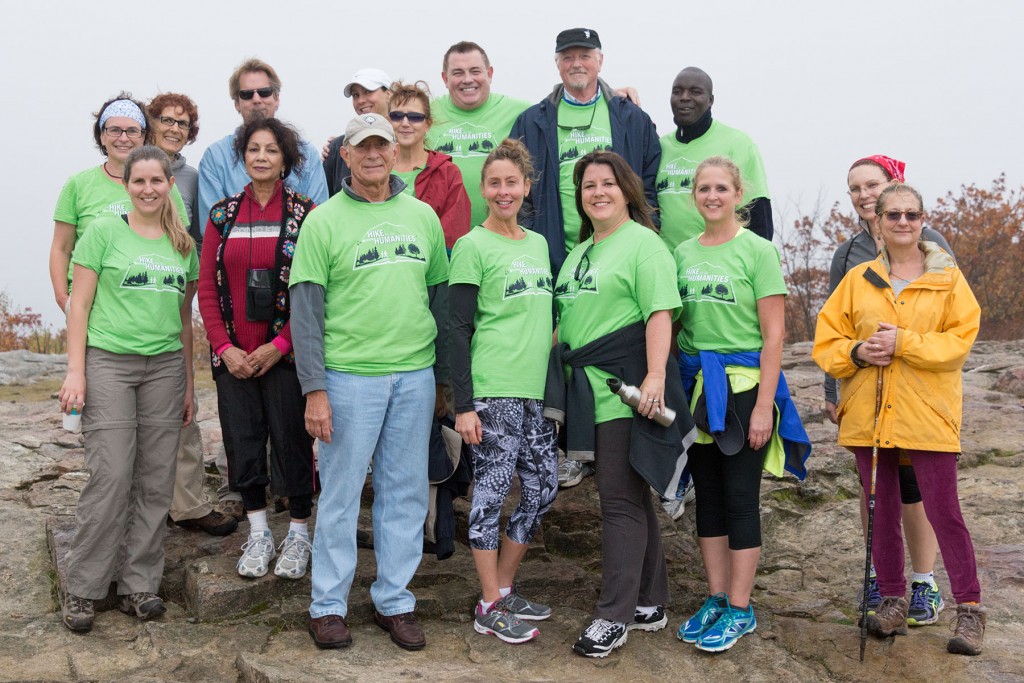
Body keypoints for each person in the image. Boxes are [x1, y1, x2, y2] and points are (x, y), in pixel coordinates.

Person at [291, 113, 449, 651]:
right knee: (339, 494)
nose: (375, 154)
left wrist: (443, 378)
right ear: (348, 156)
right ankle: (328, 606)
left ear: (394, 151)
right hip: (347, 378)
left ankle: (394, 600)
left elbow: (440, 299)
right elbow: (306, 313)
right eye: (364, 147)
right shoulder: (323, 222)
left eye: (383, 144)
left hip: (413, 375)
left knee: (404, 493)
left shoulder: (423, 217)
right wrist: (314, 389)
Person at [813, 183, 985, 656]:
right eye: (893, 216)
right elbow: (827, 343)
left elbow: (959, 343)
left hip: (927, 413)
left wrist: (904, 343)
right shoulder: (858, 280)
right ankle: (892, 601)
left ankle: (969, 609)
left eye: (912, 215)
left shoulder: (949, 280)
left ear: (923, 219)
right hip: (869, 415)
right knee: (881, 510)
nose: (903, 223)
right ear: (879, 222)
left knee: (943, 511)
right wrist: (857, 351)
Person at [511, 27, 661, 490]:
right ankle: (570, 447)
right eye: (567, 56)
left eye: (585, 55)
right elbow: (520, 182)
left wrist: (642, 234)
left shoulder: (629, 115)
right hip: (555, 249)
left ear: (600, 60)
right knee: (562, 345)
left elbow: (650, 178)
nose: (576, 63)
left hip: (616, 245)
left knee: (614, 345)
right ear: (557, 63)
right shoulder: (533, 119)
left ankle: (640, 443)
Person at [549, 151, 684, 658]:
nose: (598, 192)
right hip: (585, 392)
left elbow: (659, 314)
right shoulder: (581, 251)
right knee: (632, 498)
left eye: (607, 183)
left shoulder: (643, 245)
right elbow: (566, 320)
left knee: (620, 502)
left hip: (625, 389)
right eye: (588, 186)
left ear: (627, 190)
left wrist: (653, 378)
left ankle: (614, 616)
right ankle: (649, 601)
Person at [58, 145, 198, 632]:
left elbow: (185, 321)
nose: (147, 189)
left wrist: (189, 386)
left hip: (164, 369)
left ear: (169, 185)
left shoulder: (183, 244)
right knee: (112, 474)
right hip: (109, 364)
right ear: (125, 184)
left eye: (156, 181)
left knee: (156, 479)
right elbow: (79, 306)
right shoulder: (102, 233)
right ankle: (83, 587)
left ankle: (139, 584)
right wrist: (76, 372)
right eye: (138, 181)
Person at [673, 156, 808, 653]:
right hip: (697, 388)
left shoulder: (757, 252)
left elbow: (774, 336)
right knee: (705, 496)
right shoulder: (682, 253)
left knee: (739, 496)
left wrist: (761, 407)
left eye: (721, 188)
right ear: (694, 196)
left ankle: (741, 606)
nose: (712, 196)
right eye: (703, 188)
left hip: (746, 384)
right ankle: (715, 597)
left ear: (738, 194)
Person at [825, 155, 953, 626]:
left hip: (919, 393)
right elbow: (834, 326)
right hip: (865, 390)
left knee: (916, 488)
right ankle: (883, 577)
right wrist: (832, 387)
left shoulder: (930, 243)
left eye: (871, 184)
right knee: (875, 488)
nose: (862, 194)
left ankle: (924, 582)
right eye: (854, 187)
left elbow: (947, 320)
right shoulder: (849, 253)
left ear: (892, 186)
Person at [198, 58, 327, 519]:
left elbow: (312, 291)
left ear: (286, 158)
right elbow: (209, 288)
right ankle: (255, 532)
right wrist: (224, 347)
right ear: (243, 156)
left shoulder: (307, 215)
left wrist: (280, 344)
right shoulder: (222, 216)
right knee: (243, 442)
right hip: (233, 354)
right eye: (253, 149)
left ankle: (296, 532)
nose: (261, 157)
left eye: (271, 150)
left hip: (284, 352)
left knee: (293, 442)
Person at [450, 139, 557, 644]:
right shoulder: (472, 246)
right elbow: (456, 328)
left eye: (511, 182)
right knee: (490, 497)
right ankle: (488, 603)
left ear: (526, 186)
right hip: (493, 392)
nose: (503, 190)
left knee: (542, 489)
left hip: (535, 393)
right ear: (483, 188)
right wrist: (464, 406)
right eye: (494, 182)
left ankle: (506, 586)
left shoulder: (537, 245)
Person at [147, 92, 237, 538]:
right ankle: (137, 503)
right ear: (151, 121)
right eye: (166, 119)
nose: (174, 128)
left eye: (183, 123)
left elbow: (204, 235)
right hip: (124, 298)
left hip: (176, 293)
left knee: (183, 397)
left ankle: (187, 502)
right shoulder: (128, 171)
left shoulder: (193, 177)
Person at [50, 93, 188, 314]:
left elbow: (180, 244)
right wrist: (63, 299)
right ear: (102, 136)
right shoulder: (78, 185)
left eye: (132, 131)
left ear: (144, 136)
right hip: (89, 307)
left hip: (147, 306)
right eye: (114, 130)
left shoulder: (163, 187)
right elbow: (61, 248)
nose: (123, 138)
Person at [198, 58, 327, 238]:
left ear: (276, 98)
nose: (257, 99)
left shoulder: (306, 154)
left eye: (264, 92)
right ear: (236, 103)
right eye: (247, 94)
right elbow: (212, 228)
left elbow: (319, 222)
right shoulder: (215, 157)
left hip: (296, 262)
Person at [655, 68, 773, 249]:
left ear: (710, 100)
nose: (684, 97)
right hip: (666, 268)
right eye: (677, 91)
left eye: (695, 91)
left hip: (718, 269)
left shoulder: (739, 144)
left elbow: (759, 220)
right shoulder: (659, 147)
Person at [428, 42, 532, 229]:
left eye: (475, 71)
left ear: (489, 74)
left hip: (501, 236)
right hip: (443, 239)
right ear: (444, 78)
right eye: (458, 73)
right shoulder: (426, 115)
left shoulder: (522, 112)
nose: (467, 79)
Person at [389, 81, 472, 251]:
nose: (405, 123)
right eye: (397, 116)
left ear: (428, 124)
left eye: (415, 117)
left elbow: (453, 236)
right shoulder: (375, 169)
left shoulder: (448, 173)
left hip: (432, 270)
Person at [323, 68, 393, 196]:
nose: (361, 100)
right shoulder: (337, 148)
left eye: (368, 92)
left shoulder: (411, 141)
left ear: (388, 94)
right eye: (356, 95)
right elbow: (325, 200)